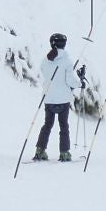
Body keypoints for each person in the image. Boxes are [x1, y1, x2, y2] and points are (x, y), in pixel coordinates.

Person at [34, 32, 84, 161]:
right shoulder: (67, 61)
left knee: (47, 125)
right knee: (64, 126)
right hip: (63, 100)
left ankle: (40, 150)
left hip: (49, 98)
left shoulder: (45, 60)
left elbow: (46, 74)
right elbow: (70, 81)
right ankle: (64, 153)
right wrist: (80, 82)